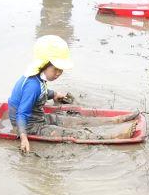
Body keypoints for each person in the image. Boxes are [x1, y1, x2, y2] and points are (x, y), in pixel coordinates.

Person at [8, 36, 138, 154]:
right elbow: (22, 114)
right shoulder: (32, 86)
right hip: (30, 126)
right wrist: (24, 138)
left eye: (61, 70)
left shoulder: (38, 79)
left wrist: (54, 94)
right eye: (56, 69)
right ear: (43, 65)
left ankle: (114, 120)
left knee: (75, 121)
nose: (59, 73)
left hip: (38, 118)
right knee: (72, 134)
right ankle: (114, 136)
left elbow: (41, 93)